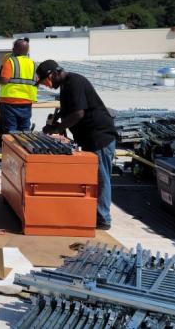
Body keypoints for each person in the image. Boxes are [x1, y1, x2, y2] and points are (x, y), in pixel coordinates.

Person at [35, 59, 118, 230]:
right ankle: (92, 212)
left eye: (46, 81)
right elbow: (68, 111)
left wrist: (58, 128)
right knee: (92, 178)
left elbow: (78, 114)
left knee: (101, 179)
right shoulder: (65, 86)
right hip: (88, 137)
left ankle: (103, 218)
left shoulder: (74, 83)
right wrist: (55, 122)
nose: (46, 85)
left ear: (53, 74)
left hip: (99, 136)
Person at [0, 38, 37, 145]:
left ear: (16, 49)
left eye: (14, 47)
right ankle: (23, 153)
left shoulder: (10, 61)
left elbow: (4, 80)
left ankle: (9, 156)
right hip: (26, 102)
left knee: (10, 131)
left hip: (9, 101)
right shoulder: (33, 64)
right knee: (24, 130)